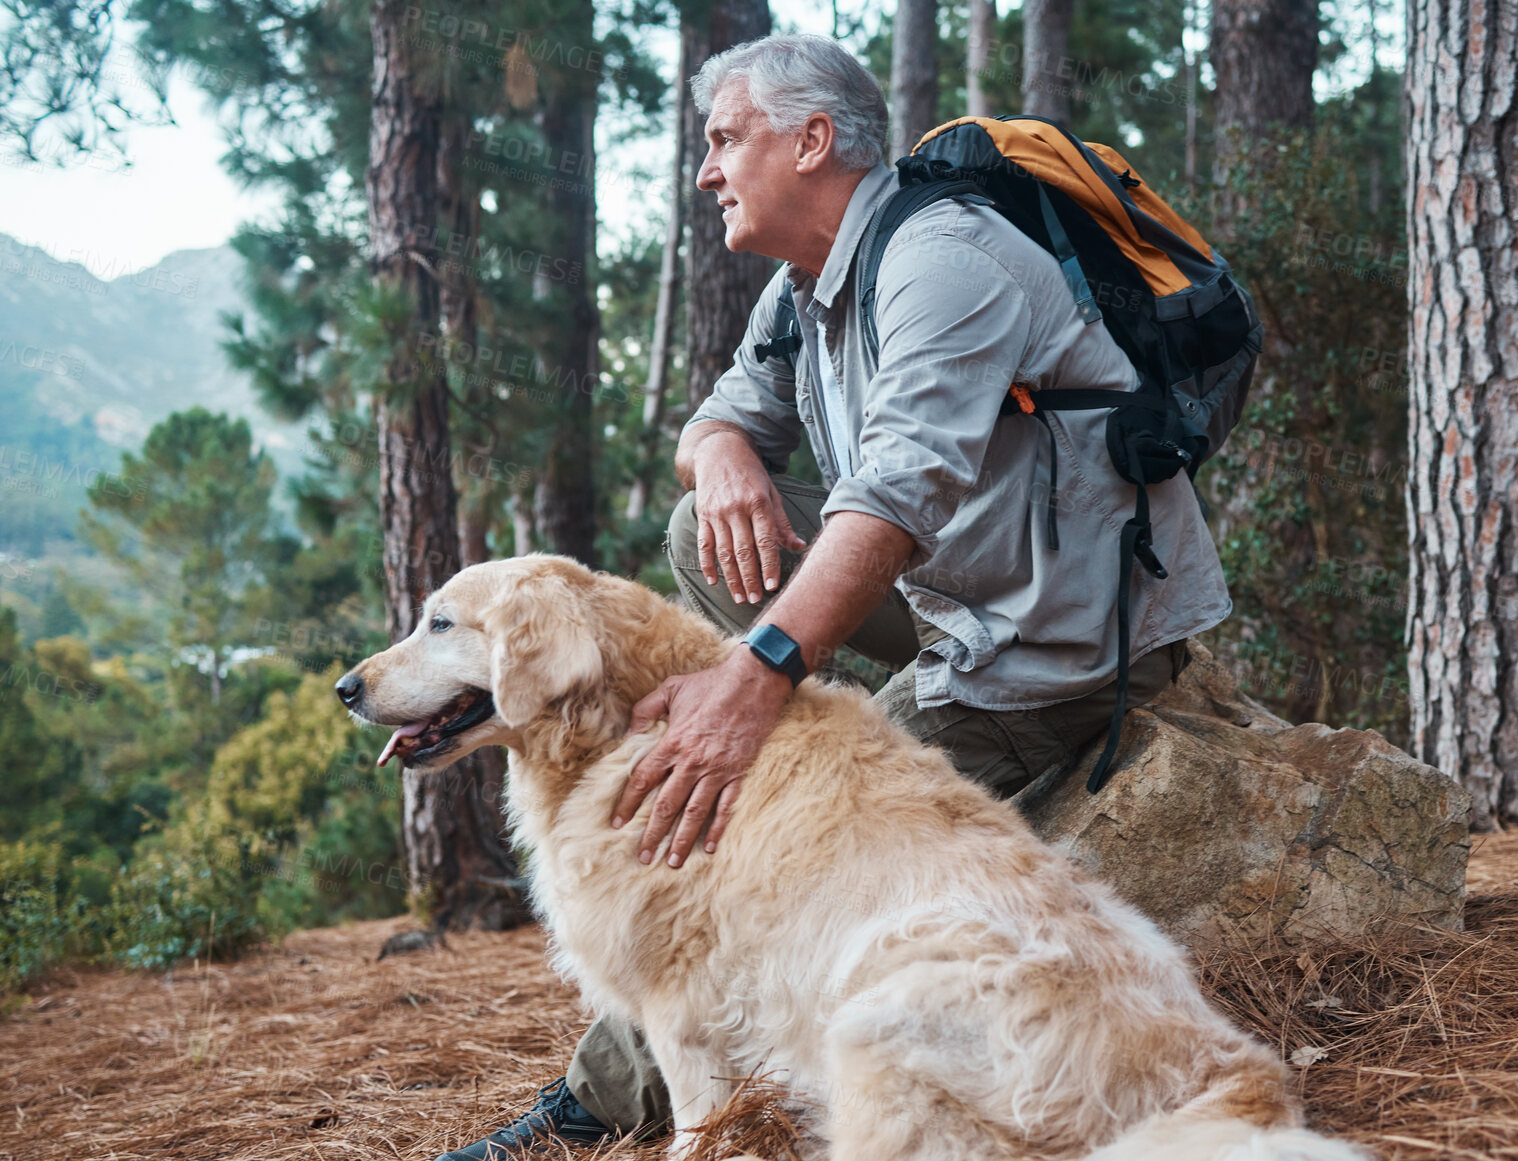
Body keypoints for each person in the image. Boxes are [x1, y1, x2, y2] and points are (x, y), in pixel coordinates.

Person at [435, 31, 1231, 1161]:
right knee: (695, 532)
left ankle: (605, 1101)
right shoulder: (803, 287)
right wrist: (723, 460)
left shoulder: (943, 261)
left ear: (811, 141)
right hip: (960, 597)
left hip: (1053, 639)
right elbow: (714, 421)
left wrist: (758, 684)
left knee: (747, 821)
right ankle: (798, 712)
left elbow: (898, 496)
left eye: (724, 141)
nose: (705, 171)